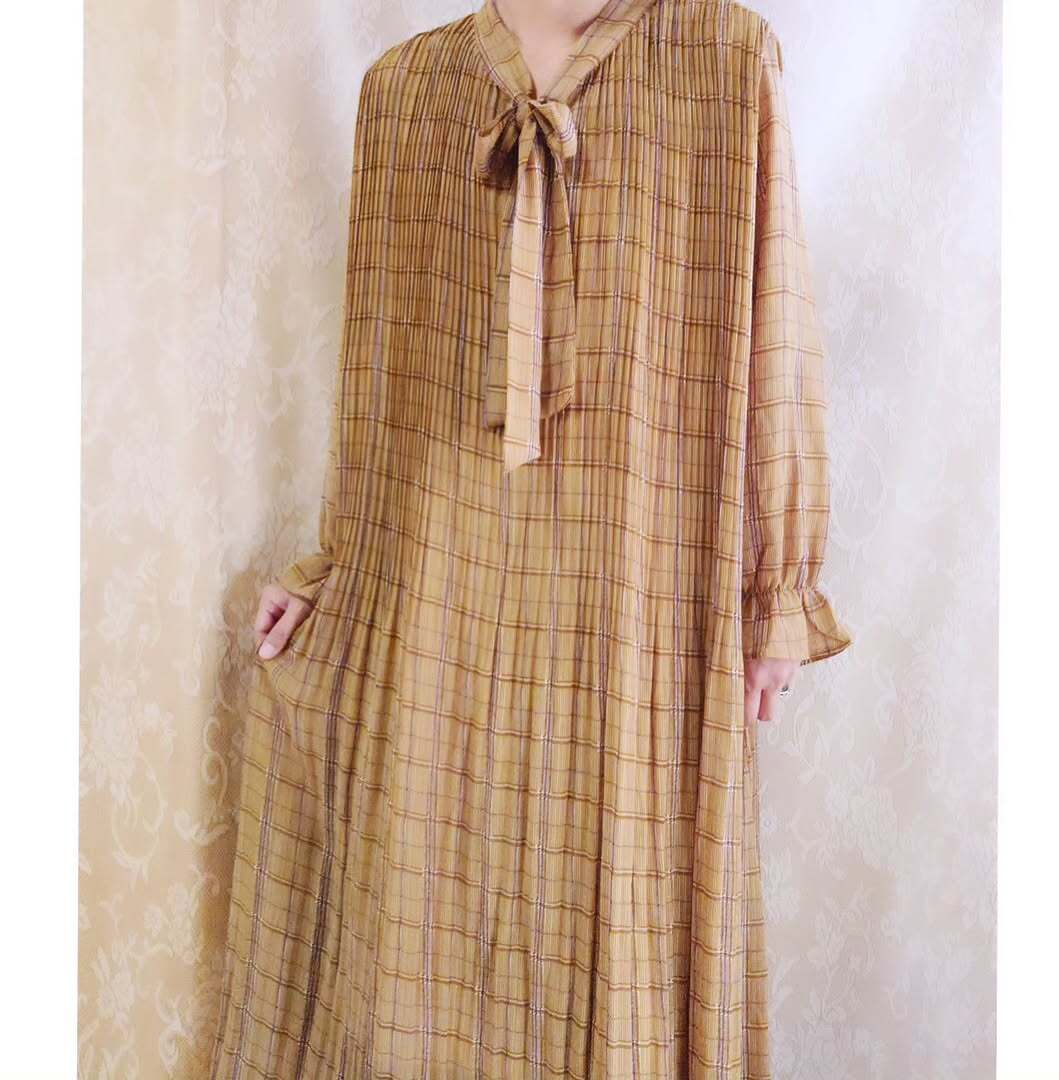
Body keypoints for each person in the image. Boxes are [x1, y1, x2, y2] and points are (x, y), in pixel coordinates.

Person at [211, 1, 854, 1076]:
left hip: (642, 593)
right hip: (441, 611)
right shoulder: (403, 93)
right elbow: (380, 379)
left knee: (620, 936)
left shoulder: (724, 59)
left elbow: (777, 334)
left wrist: (779, 592)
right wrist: (342, 573)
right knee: (427, 936)